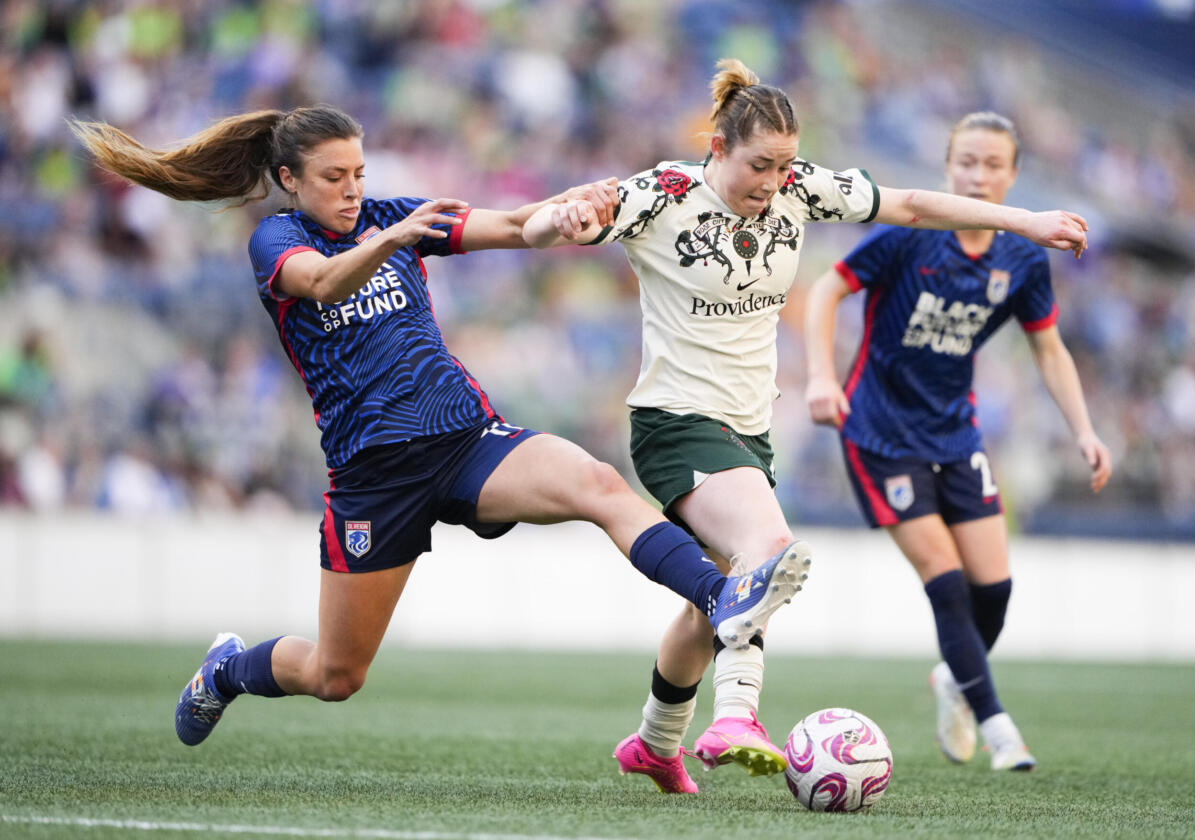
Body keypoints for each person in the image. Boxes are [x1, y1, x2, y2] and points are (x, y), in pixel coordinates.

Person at [69, 104, 812, 752]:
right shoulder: (278, 239)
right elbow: (324, 282)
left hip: (465, 441)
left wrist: (566, 217)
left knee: (599, 484)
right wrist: (395, 241)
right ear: (291, 180)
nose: (354, 188)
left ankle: (724, 602)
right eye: (334, 176)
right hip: (374, 476)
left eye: (358, 171)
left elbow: (520, 225)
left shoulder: (393, 215)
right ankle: (228, 668)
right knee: (337, 675)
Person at [524, 62, 1090, 793]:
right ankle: (737, 716)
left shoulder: (797, 188)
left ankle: (655, 743)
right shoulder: (662, 192)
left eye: (785, 164)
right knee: (771, 552)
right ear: (718, 147)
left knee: (717, 598)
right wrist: (560, 219)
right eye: (759, 164)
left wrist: (1025, 221)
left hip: (747, 432)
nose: (772, 181)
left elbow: (911, 205)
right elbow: (539, 228)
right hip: (675, 422)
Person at [804, 111, 1112, 771]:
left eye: (992, 164)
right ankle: (1000, 727)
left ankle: (955, 679)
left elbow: (1049, 349)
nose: (977, 174)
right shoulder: (911, 235)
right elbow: (828, 286)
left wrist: (1084, 429)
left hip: (956, 434)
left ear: (1013, 175)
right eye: (966, 161)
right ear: (948, 166)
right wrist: (822, 377)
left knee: (993, 592)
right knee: (946, 584)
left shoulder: (1022, 257)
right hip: (880, 433)